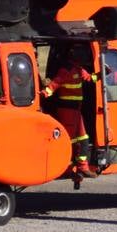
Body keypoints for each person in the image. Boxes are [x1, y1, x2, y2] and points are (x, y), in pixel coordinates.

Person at [42, 47, 99, 175]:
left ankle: (82, 167)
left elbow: (90, 78)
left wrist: (102, 75)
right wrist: (45, 93)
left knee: (83, 139)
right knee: (68, 140)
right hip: (66, 110)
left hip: (76, 111)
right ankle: (65, 168)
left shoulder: (79, 70)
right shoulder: (66, 70)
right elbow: (54, 84)